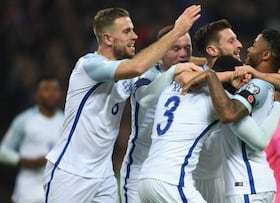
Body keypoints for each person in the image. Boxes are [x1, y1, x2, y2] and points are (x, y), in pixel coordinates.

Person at [43, 5, 202, 203]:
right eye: (127, 31)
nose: (134, 36)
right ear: (108, 38)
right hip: (70, 171)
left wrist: (213, 59)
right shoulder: (89, 65)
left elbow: (167, 59)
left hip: (104, 176)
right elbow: (138, 66)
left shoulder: (126, 74)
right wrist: (177, 30)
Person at [188, 19, 280, 203]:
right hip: (212, 178)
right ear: (212, 50)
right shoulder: (192, 74)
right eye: (231, 41)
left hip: (244, 184)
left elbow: (230, 115)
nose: (242, 46)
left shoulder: (253, 83)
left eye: (252, 44)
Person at [120, 24, 198, 203]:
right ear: (162, 51)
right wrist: (173, 72)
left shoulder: (194, 77)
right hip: (139, 170)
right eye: (176, 48)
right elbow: (145, 98)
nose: (183, 54)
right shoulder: (147, 73)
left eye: (187, 48)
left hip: (173, 172)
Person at [0, 74, 63, 203]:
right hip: (28, 193)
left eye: (55, 90)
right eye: (46, 89)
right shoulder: (24, 120)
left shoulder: (66, 121)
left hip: (56, 192)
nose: (51, 94)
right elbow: (3, 152)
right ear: (37, 94)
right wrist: (28, 161)